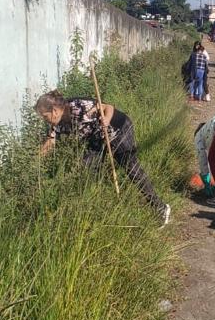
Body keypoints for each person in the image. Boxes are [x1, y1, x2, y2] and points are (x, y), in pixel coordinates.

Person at [35, 90, 171, 226]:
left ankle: (160, 208)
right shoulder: (56, 123)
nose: (45, 120)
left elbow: (108, 107)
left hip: (118, 129)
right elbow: (50, 141)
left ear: (54, 110)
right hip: (96, 138)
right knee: (87, 168)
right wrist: (35, 163)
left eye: (45, 116)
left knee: (132, 169)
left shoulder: (78, 105)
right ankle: (106, 208)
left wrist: (105, 120)